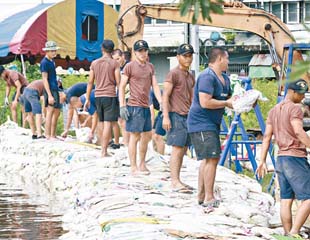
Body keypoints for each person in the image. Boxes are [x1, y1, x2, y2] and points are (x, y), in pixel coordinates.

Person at [256, 79, 310, 237]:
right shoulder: (295, 109)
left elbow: (266, 136)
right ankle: (294, 232)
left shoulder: (274, 110)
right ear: (291, 92)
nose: (302, 97)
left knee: (286, 199)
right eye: (300, 94)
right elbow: (299, 132)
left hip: (281, 159)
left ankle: (286, 234)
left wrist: (262, 160)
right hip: (295, 158)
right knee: (308, 198)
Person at [187, 47, 233, 207]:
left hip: (213, 123)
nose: (228, 62)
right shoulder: (207, 76)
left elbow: (230, 98)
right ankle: (209, 197)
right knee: (212, 158)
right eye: (227, 58)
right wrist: (226, 103)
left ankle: (201, 195)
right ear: (220, 59)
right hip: (201, 122)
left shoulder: (225, 79)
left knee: (208, 159)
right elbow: (205, 102)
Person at [119, 39, 162, 175]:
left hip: (146, 105)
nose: (143, 53)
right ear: (135, 52)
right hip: (134, 105)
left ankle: (142, 164)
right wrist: (122, 105)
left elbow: (154, 85)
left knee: (147, 135)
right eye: (140, 51)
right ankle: (133, 166)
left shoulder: (150, 67)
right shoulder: (129, 66)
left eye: (145, 50)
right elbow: (121, 86)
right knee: (135, 136)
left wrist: (161, 101)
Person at [162, 43, 195, 192]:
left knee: (183, 150)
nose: (188, 59)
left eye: (190, 56)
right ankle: (174, 181)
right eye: (185, 56)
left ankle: (179, 179)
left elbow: (193, 97)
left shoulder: (190, 75)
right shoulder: (173, 74)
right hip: (176, 116)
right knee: (176, 149)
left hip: (188, 117)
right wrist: (166, 117)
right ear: (178, 57)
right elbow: (165, 96)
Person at [84, 39, 120, 157]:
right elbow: (119, 82)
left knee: (101, 122)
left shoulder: (94, 63)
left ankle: (102, 148)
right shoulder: (115, 63)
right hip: (110, 95)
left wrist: (88, 98)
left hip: (97, 95)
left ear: (102, 49)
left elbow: (90, 82)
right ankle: (104, 151)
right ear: (113, 50)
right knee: (108, 123)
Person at [41, 41, 61, 140]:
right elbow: (44, 79)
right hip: (50, 89)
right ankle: (47, 134)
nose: (54, 52)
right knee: (50, 110)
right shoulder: (44, 62)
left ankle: (53, 134)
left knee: (57, 111)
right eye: (52, 51)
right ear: (47, 51)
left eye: (55, 50)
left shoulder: (52, 61)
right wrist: (49, 95)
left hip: (55, 87)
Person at [149, 89, 165, 155]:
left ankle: (161, 157)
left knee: (157, 136)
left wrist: (150, 127)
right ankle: (156, 155)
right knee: (153, 133)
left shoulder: (147, 93)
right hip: (161, 111)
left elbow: (151, 113)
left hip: (169, 110)